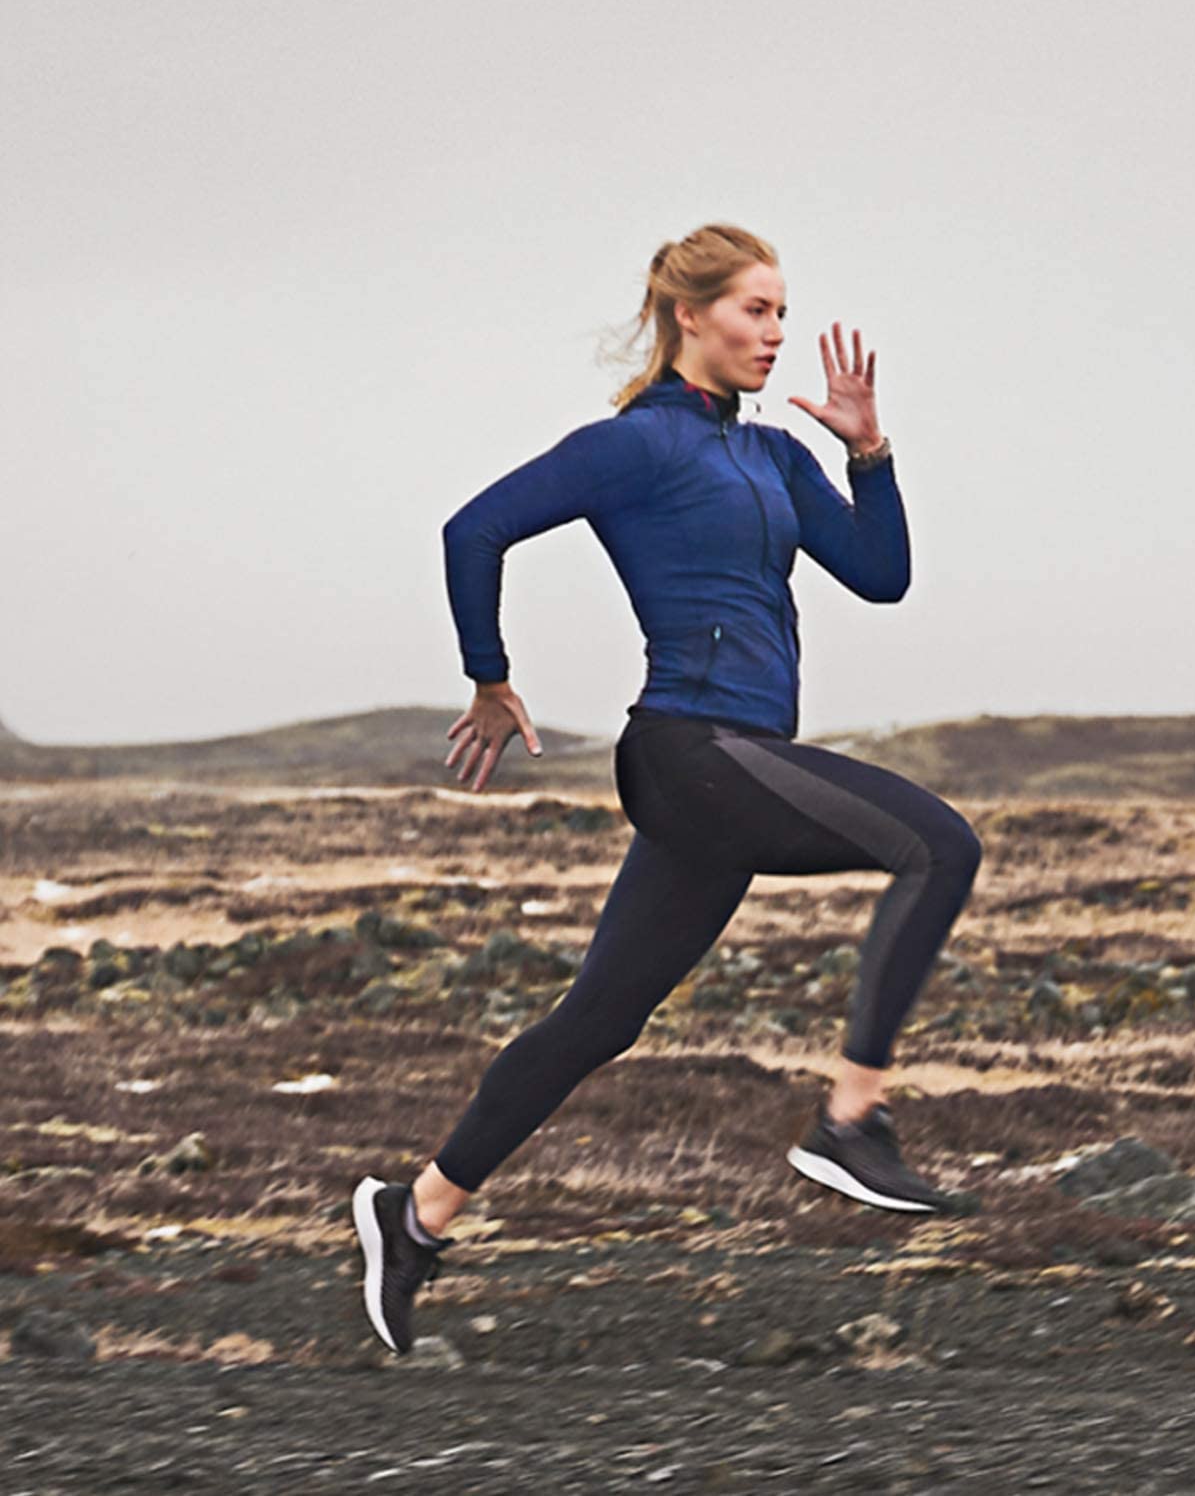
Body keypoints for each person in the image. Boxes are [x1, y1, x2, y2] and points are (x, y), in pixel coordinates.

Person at [354, 223, 983, 1355]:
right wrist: (490, 677)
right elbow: (474, 529)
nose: (776, 334)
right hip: (687, 750)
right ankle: (852, 1116)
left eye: (783, 313)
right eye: (755, 310)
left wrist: (869, 454)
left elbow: (881, 577)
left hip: (734, 762)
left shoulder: (775, 456)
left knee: (601, 1018)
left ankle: (417, 1214)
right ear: (689, 315)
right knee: (939, 845)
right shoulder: (635, 446)